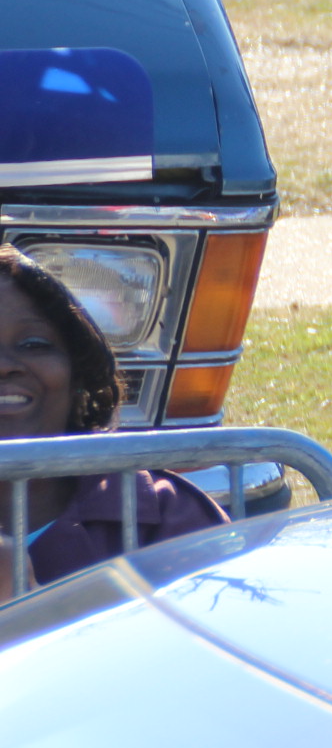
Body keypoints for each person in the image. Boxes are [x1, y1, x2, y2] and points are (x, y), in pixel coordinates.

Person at [0, 247, 228, 584]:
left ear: (78, 375)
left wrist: (27, 606)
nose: (4, 366)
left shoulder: (166, 515)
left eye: (34, 344)